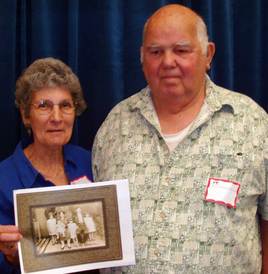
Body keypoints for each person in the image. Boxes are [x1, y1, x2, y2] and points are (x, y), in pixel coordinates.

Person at [92, 4, 268, 274]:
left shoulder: (253, 124)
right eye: (156, 52)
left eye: (182, 50)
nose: (168, 62)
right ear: (142, 57)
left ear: (207, 54)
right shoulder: (115, 125)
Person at [0, 58, 99, 274]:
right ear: (25, 115)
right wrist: (12, 257)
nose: (57, 117)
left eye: (65, 105)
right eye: (44, 106)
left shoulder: (90, 162)